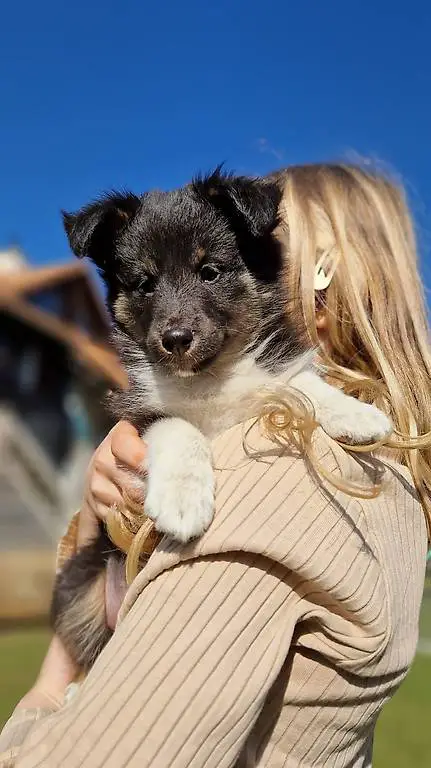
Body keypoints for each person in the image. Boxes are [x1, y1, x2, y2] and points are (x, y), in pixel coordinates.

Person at [1, 163, 430, 768]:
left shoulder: (285, 471)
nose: (176, 319)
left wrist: (46, 693)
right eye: (145, 285)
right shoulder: (397, 483)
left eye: (209, 272)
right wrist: (102, 522)